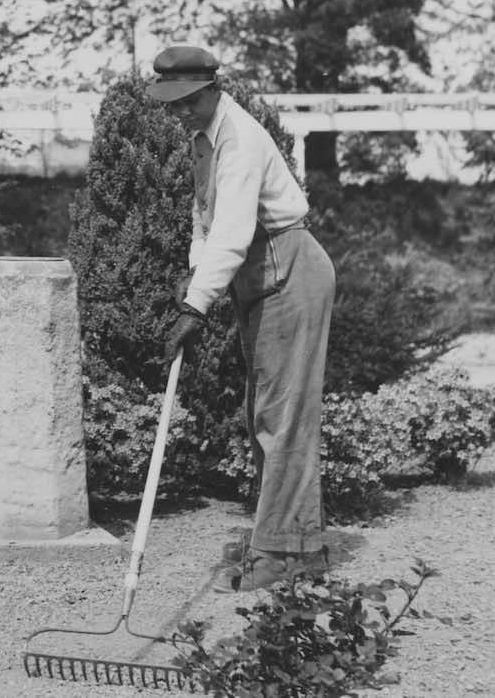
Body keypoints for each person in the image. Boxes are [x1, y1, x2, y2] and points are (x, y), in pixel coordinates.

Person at [147, 45, 336, 592]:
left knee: (283, 419)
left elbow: (231, 233)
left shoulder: (241, 140)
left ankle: (281, 553)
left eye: (186, 101)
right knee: (267, 414)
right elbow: (203, 222)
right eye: (169, 103)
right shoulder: (203, 139)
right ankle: (294, 544)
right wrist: (194, 273)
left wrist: (194, 307)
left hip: (289, 270)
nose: (177, 112)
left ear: (212, 87)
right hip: (259, 277)